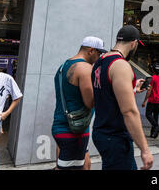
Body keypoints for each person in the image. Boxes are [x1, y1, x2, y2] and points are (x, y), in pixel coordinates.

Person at [92, 25, 153, 170]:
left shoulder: (100, 61)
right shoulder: (120, 65)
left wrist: (132, 89)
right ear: (133, 43)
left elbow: (108, 94)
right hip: (115, 137)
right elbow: (129, 112)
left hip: (102, 132)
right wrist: (145, 150)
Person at [51, 36, 105, 170]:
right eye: (99, 53)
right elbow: (90, 103)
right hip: (74, 131)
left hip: (61, 126)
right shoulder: (86, 69)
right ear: (91, 50)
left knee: (74, 165)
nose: (99, 57)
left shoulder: (63, 66)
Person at [142, 62, 159, 139]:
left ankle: (156, 127)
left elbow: (149, 90)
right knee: (155, 116)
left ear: (153, 70)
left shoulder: (152, 78)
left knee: (148, 115)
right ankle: (153, 134)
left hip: (152, 100)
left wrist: (145, 101)